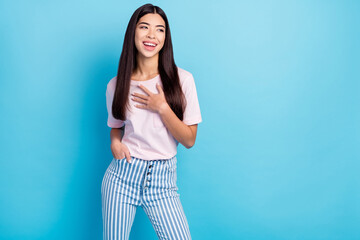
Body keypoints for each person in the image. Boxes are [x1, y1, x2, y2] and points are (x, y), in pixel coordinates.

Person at [101, 3, 202, 240]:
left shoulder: (182, 80)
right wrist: (115, 144)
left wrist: (162, 108)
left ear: (166, 38)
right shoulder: (116, 85)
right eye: (144, 27)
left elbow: (189, 140)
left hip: (162, 182)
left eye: (160, 30)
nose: (151, 35)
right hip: (122, 177)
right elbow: (116, 128)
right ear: (133, 33)